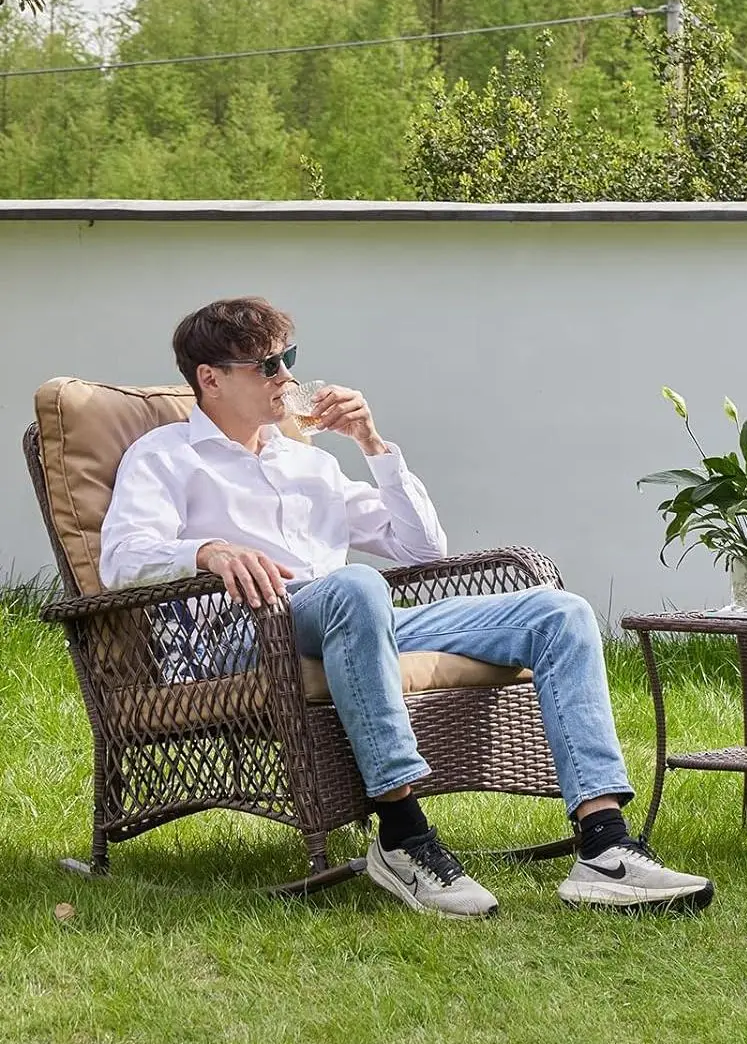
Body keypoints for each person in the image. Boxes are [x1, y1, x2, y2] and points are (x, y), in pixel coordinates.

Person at [99, 297, 713, 919]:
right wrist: (206, 551)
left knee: (560, 614)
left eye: (289, 358)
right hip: (240, 632)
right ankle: (402, 833)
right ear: (210, 378)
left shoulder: (308, 462)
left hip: (351, 616)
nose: (286, 375)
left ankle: (604, 846)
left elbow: (422, 549)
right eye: (267, 365)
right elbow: (120, 560)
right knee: (358, 586)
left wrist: (372, 445)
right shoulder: (165, 455)